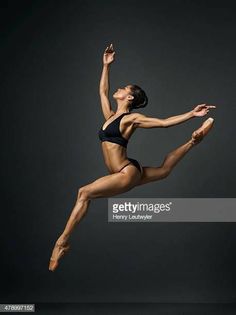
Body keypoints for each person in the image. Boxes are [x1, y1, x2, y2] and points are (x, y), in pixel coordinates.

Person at [49, 43, 216, 271]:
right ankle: (193, 141)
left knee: (83, 193)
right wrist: (106, 65)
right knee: (164, 170)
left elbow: (164, 123)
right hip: (128, 171)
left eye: (123, 89)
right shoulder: (110, 116)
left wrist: (192, 113)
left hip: (124, 173)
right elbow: (102, 91)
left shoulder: (131, 119)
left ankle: (62, 242)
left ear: (129, 98)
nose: (118, 89)